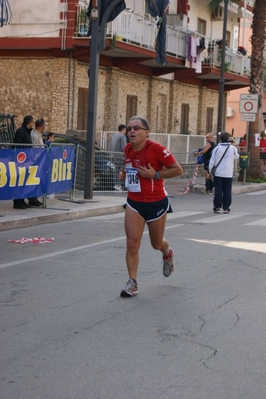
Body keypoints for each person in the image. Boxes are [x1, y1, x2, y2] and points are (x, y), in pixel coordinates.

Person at [118, 116, 183, 297]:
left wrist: (155, 174)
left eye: (137, 128)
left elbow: (178, 169)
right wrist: (124, 174)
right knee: (132, 243)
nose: (132, 131)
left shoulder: (157, 150)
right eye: (130, 128)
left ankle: (167, 253)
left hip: (156, 202)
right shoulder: (128, 149)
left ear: (147, 132)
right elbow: (131, 170)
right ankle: (132, 282)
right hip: (134, 202)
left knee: (156, 243)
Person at [209, 131, 239, 214]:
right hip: (228, 173)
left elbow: (212, 161)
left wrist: (210, 172)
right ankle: (226, 207)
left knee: (218, 190)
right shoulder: (232, 148)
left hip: (218, 173)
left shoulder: (217, 149)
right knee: (227, 190)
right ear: (228, 139)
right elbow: (237, 156)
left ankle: (217, 207)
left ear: (220, 139)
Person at [13, 115, 35, 209]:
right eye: (32, 122)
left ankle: (22, 200)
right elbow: (16, 145)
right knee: (19, 181)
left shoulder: (27, 132)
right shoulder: (21, 131)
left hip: (26, 161)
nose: (33, 124)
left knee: (24, 181)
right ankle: (17, 202)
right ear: (29, 123)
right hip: (20, 161)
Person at [109, 124, 127, 191]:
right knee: (123, 171)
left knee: (115, 172)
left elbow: (110, 146)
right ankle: (121, 185)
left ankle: (116, 185)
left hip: (113, 156)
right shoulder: (122, 136)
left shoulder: (114, 136)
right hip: (120, 157)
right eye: (125, 129)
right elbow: (124, 147)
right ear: (123, 129)